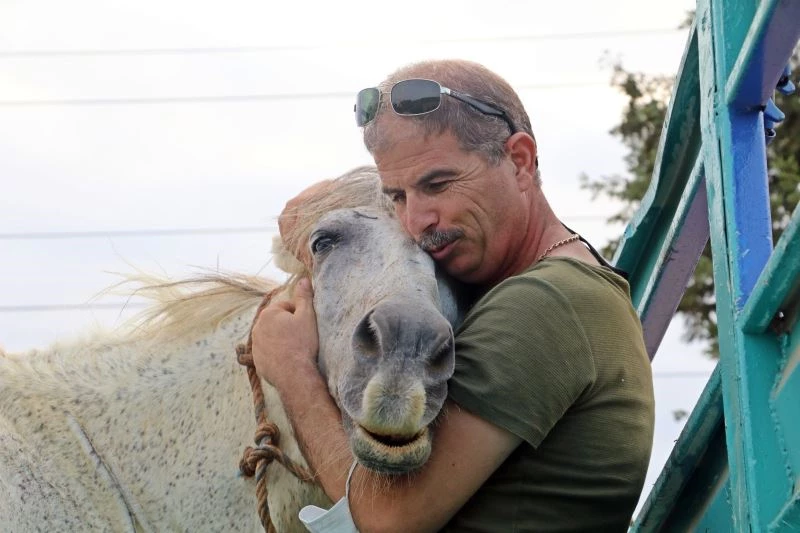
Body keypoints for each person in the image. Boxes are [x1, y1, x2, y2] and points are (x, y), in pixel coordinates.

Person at [252, 59, 655, 532]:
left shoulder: (547, 302)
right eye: (397, 196)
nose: (416, 221)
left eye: (438, 184)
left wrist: (292, 370)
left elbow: (387, 521)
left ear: (519, 160)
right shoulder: (549, 281)